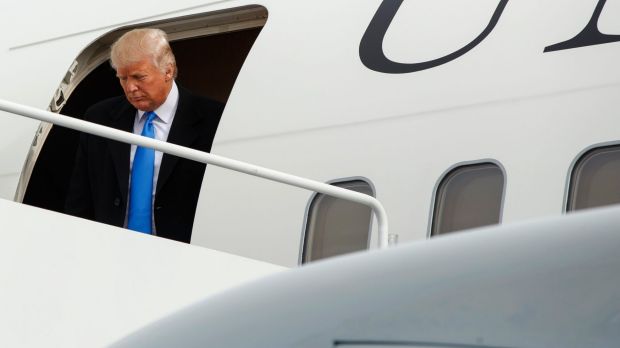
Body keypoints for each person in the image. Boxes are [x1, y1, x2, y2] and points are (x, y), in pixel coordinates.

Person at [65, 28, 223, 243]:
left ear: (168, 71)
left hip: (184, 253)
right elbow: (80, 197)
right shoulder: (99, 117)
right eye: (123, 78)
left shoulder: (213, 120)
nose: (130, 87)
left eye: (139, 77)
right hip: (108, 248)